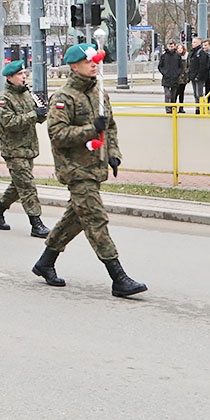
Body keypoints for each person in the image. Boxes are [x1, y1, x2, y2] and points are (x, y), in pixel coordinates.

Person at [31, 43, 147, 298]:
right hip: (75, 169)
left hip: (95, 166)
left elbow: (111, 127)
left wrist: (113, 154)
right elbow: (57, 134)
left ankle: (45, 262)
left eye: (95, 60)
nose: (94, 64)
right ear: (74, 66)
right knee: (95, 218)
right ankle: (119, 278)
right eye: (88, 61)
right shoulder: (63, 98)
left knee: (75, 217)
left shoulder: (99, 93)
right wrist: (91, 130)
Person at [0, 60, 50, 238]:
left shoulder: (26, 95)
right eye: (20, 75)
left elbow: (36, 119)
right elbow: (10, 123)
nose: (24, 77)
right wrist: (33, 115)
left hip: (28, 148)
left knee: (18, 185)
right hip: (13, 150)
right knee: (28, 186)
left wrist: (42, 112)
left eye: (24, 74)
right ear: (10, 77)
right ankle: (36, 223)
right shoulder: (3, 99)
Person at [158, 40, 183, 113]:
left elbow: (181, 67)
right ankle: (168, 109)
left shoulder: (177, 56)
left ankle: (173, 107)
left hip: (175, 78)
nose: (171, 48)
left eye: (172, 46)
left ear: (175, 46)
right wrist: (164, 73)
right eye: (169, 46)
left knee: (173, 95)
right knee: (167, 94)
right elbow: (160, 66)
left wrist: (177, 73)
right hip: (166, 78)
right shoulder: (164, 56)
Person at [188, 37, 209, 114]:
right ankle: (197, 108)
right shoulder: (192, 52)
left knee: (199, 93)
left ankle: (201, 108)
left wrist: (199, 75)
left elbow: (203, 65)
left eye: (194, 42)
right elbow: (190, 65)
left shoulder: (201, 52)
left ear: (199, 43)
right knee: (195, 94)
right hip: (193, 76)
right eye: (192, 42)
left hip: (199, 76)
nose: (192, 44)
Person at [175, 43, 189, 113]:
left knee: (181, 93)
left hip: (184, 78)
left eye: (181, 48)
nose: (180, 50)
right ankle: (173, 107)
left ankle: (181, 107)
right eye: (178, 48)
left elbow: (188, 66)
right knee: (175, 93)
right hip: (176, 77)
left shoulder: (186, 57)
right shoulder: (175, 57)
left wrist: (187, 75)